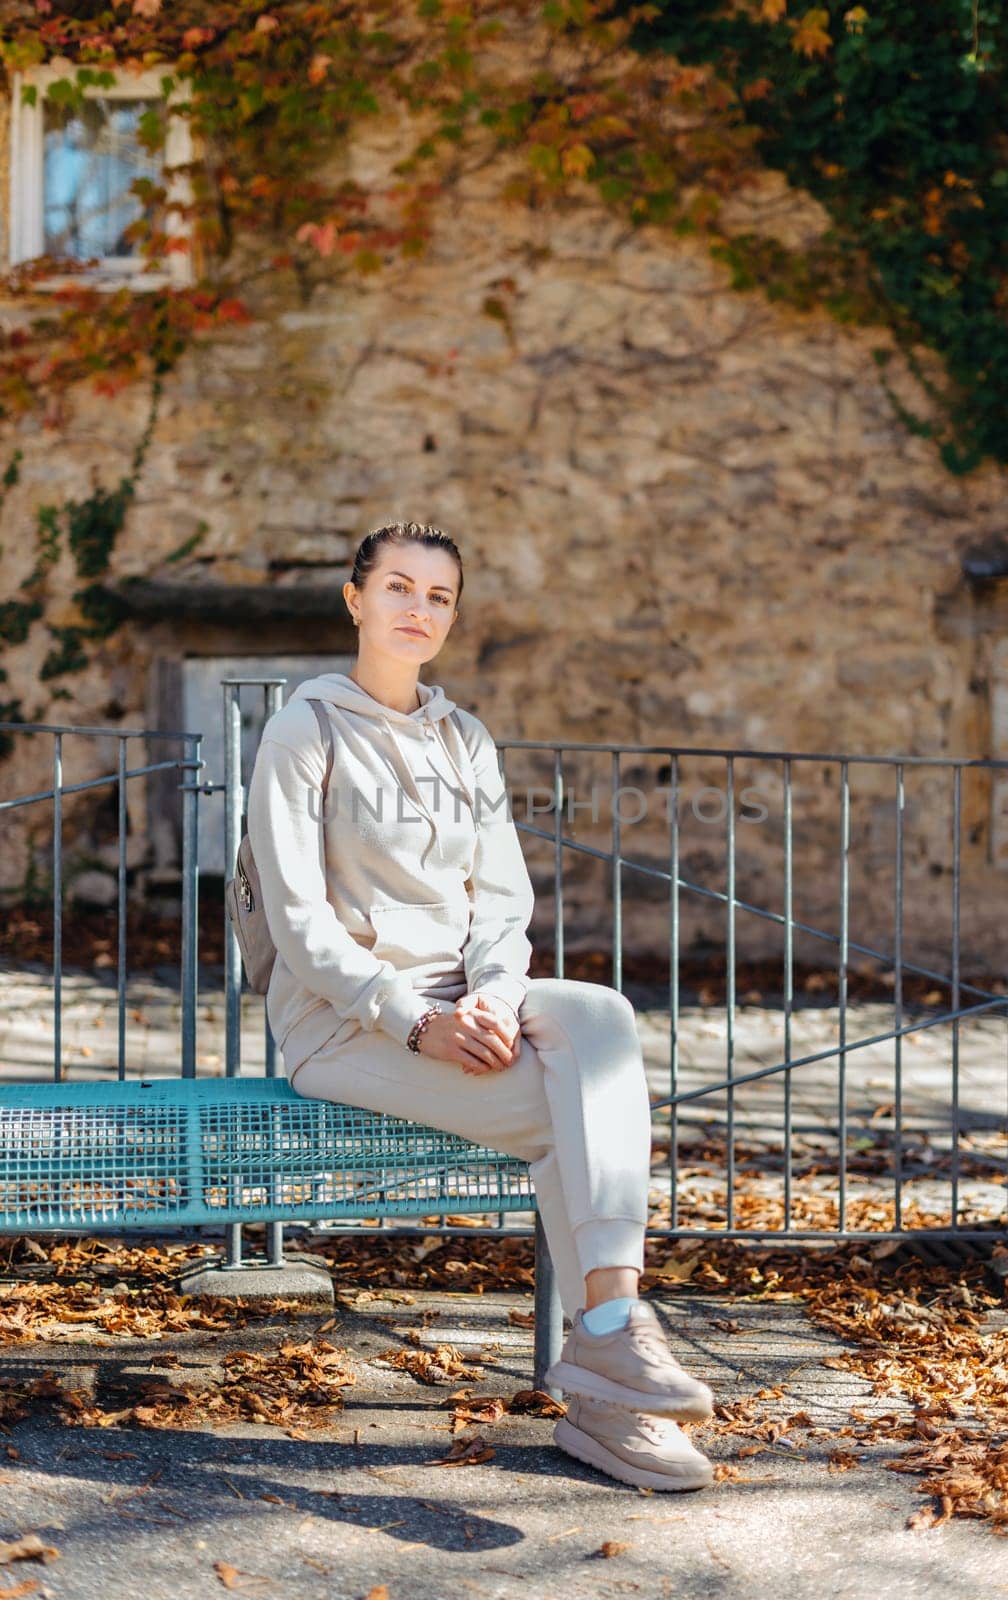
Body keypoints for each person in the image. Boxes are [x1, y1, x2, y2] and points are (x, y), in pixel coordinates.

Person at [246, 518, 716, 1492]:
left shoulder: (465, 738)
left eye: (439, 596)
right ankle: (605, 1376)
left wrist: (497, 996)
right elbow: (298, 921)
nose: (418, 609)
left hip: (465, 1002)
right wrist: (416, 1016)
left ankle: (609, 1338)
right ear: (355, 598)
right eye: (399, 588)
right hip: (344, 1022)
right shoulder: (306, 728)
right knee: (575, 1112)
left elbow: (504, 904)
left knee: (600, 1018)